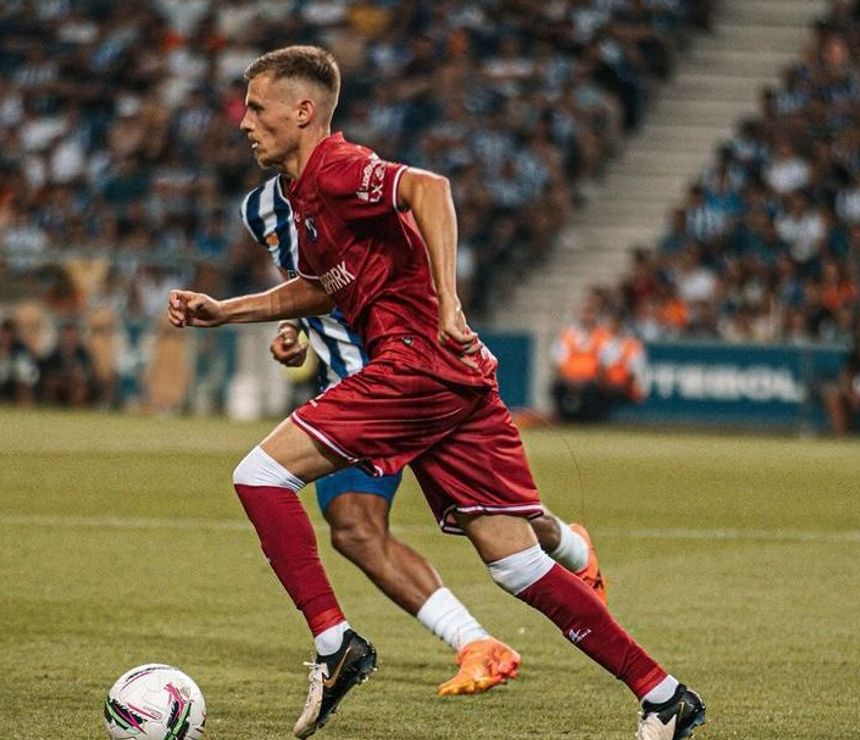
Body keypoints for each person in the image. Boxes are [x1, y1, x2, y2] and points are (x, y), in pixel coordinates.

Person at [168, 47, 703, 739]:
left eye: (257, 107)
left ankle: (336, 646)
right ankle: (664, 695)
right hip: (455, 376)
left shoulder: (333, 166)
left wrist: (449, 302)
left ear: (303, 111)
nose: (245, 122)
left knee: (260, 475)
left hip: (415, 362)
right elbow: (322, 287)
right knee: (515, 562)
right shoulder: (301, 196)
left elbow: (431, 188)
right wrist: (225, 310)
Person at [241, 174, 606, 697]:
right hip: (355, 392)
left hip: (415, 377)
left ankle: (571, 547)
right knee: (354, 527)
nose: (281, 245)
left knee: (497, 525)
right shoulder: (277, 220)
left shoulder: (343, 185)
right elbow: (313, 288)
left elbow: (402, 247)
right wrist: (291, 330)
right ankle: (475, 642)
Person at [551, 299, 612, 421]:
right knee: (556, 387)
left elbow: (605, 364)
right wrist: (569, 379)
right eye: (586, 312)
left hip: (591, 381)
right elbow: (558, 361)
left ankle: (589, 419)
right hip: (569, 379)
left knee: (594, 391)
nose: (588, 316)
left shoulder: (603, 336)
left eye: (591, 312)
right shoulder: (568, 335)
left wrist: (587, 380)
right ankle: (564, 418)